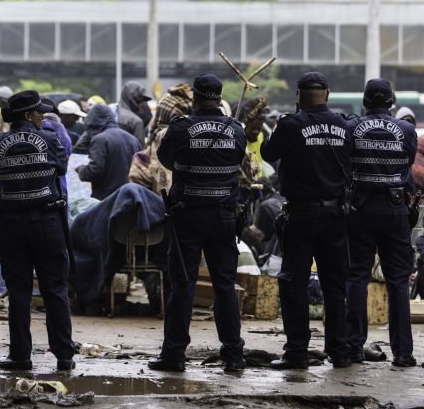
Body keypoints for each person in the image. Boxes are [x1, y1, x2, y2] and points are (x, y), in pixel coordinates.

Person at [148, 74, 247, 373]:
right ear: (219, 97)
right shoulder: (236, 130)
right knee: (225, 286)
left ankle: (174, 355)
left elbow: (165, 160)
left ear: (194, 97)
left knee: (182, 286)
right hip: (224, 216)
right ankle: (233, 354)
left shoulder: (181, 128)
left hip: (188, 216)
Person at [261, 71, 353, 370]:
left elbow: (268, 152)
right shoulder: (343, 124)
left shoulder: (291, 124)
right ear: (327, 94)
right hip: (336, 214)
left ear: (298, 97)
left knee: (295, 283)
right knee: (335, 285)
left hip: (302, 214)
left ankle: (297, 352)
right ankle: (339, 352)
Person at [0, 90, 75, 372]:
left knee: (19, 292)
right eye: (39, 112)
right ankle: (64, 356)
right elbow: (61, 168)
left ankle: (20, 356)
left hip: (12, 226)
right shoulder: (50, 140)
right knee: (55, 290)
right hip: (47, 224)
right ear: (28, 115)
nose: (42, 116)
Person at [345, 79, 418, 367]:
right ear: (392, 102)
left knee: (357, 278)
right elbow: (409, 160)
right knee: (398, 281)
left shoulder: (351, 128)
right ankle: (403, 353)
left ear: (364, 102)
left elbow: (345, 161)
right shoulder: (407, 130)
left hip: (360, 209)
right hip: (395, 208)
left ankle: (353, 348)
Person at [76, 104, 141, 200]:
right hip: (130, 196)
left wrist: (81, 170)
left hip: (107, 198)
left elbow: (95, 171)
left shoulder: (100, 139)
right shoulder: (133, 139)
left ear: (92, 121)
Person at [117, 81, 152, 147]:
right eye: (140, 99)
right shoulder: (136, 122)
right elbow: (139, 153)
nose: (142, 104)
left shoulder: (110, 113)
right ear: (133, 99)